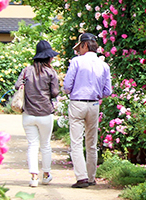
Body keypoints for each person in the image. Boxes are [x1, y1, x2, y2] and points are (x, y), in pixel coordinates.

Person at [63, 32, 112, 188]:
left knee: (76, 142)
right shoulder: (104, 65)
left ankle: (82, 177)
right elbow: (108, 91)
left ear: (84, 45)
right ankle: (91, 177)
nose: (79, 50)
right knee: (91, 143)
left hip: (77, 103)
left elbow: (67, 86)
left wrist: (72, 91)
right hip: (94, 104)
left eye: (80, 47)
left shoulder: (77, 61)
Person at [15, 40, 60, 188]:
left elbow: (17, 85)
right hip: (45, 113)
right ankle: (46, 175)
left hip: (28, 114)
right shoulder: (51, 72)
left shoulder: (26, 71)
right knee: (45, 145)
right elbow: (55, 92)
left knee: (32, 145)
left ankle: (34, 177)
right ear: (48, 57)